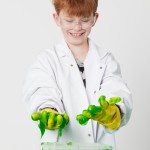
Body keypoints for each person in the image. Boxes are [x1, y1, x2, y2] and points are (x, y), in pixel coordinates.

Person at [22, 0, 132, 149]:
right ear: (57, 18)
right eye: (69, 20)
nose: (77, 27)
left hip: (100, 145)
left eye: (85, 20)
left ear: (95, 18)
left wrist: (113, 109)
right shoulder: (46, 61)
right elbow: (42, 90)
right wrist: (49, 110)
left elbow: (115, 89)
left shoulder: (106, 61)